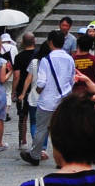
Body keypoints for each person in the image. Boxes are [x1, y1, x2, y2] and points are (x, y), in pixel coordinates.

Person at [23, 33, 78, 164]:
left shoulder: (46, 60)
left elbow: (41, 83)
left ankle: (35, 155)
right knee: (61, 131)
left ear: (50, 42)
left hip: (47, 101)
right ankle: (61, 160)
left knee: (41, 128)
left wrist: (37, 90)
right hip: (64, 100)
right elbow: (72, 79)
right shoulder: (70, 59)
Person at [11, 34, 41, 152]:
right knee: (36, 118)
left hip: (22, 91)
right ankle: (37, 141)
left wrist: (14, 91)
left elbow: (17, 75)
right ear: (35, 41)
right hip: (36, 89)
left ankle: (23, 140)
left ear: (23, 42)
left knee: (23, 116)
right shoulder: (38, 55)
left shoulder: (19, 57)